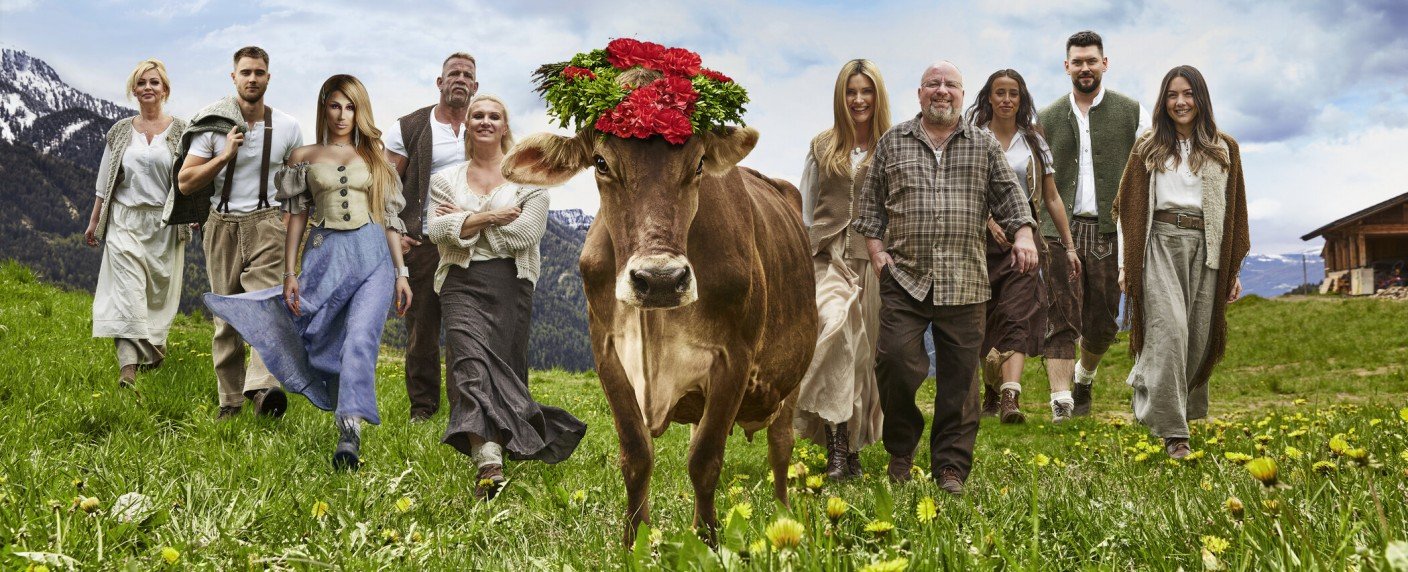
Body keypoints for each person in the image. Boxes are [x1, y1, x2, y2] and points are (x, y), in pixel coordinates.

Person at [202, 74, 412, 469]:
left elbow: (388, 217)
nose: (343, 114)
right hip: (327, 253)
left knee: (361, 339)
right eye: (335, 105)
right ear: (324, 108)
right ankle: (270, 386)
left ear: (360, 110)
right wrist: (289, 273)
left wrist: (401, 273)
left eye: (350, 106)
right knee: (312, 330)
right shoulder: (303, 157)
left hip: (374, 258)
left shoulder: (376, 158)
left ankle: (349, 432)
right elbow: (296, 218)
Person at [852, 61, 1038, 495]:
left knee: (959, 381)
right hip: (904, 277)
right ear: (919, 94)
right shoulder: (893, 142)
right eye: (933, 84)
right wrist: (878, 254)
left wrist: (1024, 234)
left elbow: (1009, 195)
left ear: (961, 94)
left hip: (965, 280)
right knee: (895, 364)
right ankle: (902, 448)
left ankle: (951, 468)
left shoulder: (983, 144)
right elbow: (869, 207)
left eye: (950, 85)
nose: (941, 91)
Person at [426, 94, 585, 500]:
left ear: (504, 126)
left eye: (493, 116)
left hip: (512, 283)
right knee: (468, 362)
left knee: (504, 370)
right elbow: (436, 231)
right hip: (459, 279)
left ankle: (518, 431)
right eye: (477, 115)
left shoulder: (530, 180)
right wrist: (491, 217)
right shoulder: (446, 179)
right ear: (467, 125)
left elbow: (526, 235)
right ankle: (488, 463)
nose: (484, 121)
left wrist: (463, 221)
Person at [1114, 65, 1248, 458]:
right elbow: (1127, 208)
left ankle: (1156, 394)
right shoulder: (1147, 146)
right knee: (1169, 330)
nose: (1180, 102)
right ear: (1163, 101)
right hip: (1158, 243)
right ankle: (1175, 433)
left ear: (1200, 98)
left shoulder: (1225, 148)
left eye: (1188, 94)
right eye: (1172, 95)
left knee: (1197, 336)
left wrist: (1232, 269)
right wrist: (1127, 263)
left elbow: (1235, 210)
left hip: (1208, 246)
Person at [177, 46, 304, 419]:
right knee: (226, 317)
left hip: (267, 223)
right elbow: (185, 182)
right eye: (245, 72)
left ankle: (264, 390)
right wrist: (223, 156)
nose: (252, 79)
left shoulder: (288, 126)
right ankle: (230, 402)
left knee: (267, 309)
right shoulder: (213, 124)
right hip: (221, 224)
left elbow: (296, 181)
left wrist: (290, 220)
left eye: (259, 72)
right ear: (234, 77)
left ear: (268, 77)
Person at [1037, 30, 1151, 420]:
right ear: (1066, 66)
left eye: (1091, 60)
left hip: (1109, 229)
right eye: (1077, 61)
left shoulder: (1131, 111)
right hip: (1057, 231)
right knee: (1059, 316)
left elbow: (1149, 168)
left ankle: (1084, 378)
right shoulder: (1047, 117)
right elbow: (1036, 177)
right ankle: (1061, 402)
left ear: (1105, 63)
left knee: (1103, 322)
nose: (1084, 67)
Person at [964, 69, 1082, 424]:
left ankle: (1010, 398)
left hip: (1025, 242)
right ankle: (991, 387)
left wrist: (1069, 245)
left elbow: (1051, 196)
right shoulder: (972, 138)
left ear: (1021, 98)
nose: (1006, 100)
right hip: (978, 242)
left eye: (1013, 93)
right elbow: (964, 191)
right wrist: (989, 222)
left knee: (1017, 316)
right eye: (999, 93)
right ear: (988, 97)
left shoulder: (1034, 142)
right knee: (983, 323)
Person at [795, 59, 889, 481]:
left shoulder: (893, 145)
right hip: (828, 257)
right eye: (850, 91)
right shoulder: (821, 146)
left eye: (865, 91)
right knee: (834, 333)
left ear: (877, 95)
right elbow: (805, 208)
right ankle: (835, 449)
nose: (858, 99)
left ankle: (851, 450)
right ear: (840, 97)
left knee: (864, 358)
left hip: (874, 261)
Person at [384, 52, 479, 423]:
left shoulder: (485, 124)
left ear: (475, 85)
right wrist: (395, 233)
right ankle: (422, 409)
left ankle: (464, 408)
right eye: (452, 73)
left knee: (465, 329)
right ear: (439, 83)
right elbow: (385, 188)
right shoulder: (409, 127)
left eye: (467, 75)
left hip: (471, 242)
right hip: (423, 243)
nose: (459, 79)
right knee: (422, 329)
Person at [86, 59, 190, 392]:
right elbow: (105, 181)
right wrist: (94, 222)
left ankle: (153, 351)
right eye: (142, 82)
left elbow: (191, 178)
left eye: (154, 82)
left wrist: (194, 214)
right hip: (124, 220)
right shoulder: (120, 131)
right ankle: (127, 370)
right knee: (126, 294)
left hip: (164, 224)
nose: (148, 88)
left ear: (165, 89)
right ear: (134, 89)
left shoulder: (182, 131)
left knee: (156, 298)